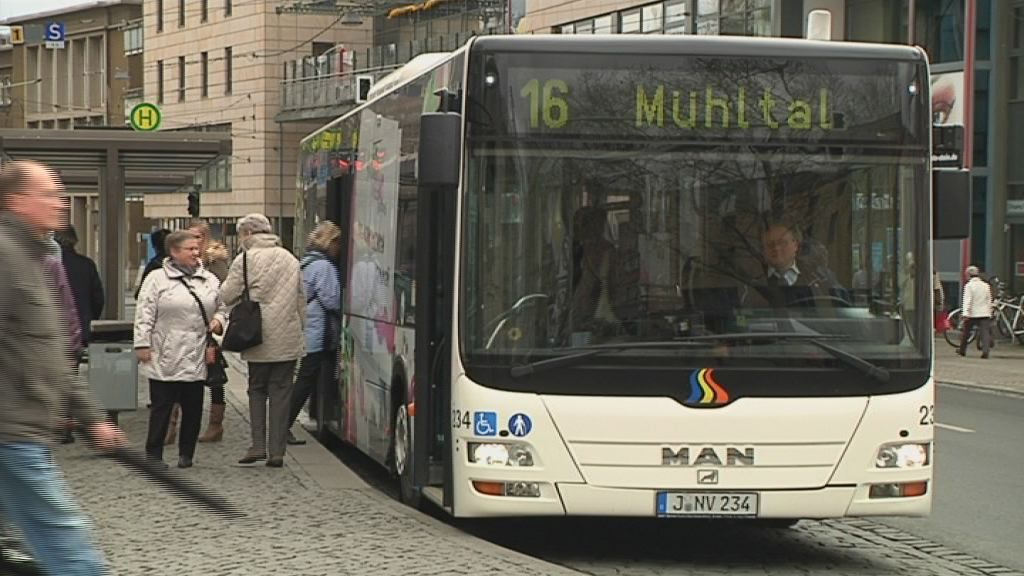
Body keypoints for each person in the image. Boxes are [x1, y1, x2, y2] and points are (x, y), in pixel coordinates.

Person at [0, 159, 125, 576]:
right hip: (11, 434)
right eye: (49, 193)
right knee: (68, 546)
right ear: (17, 201)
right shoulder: (5, 256)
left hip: (24, 431)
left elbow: (49, 352)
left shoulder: (34, 258)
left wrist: (92, 418)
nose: (62, 201)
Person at [217, 213, 305, 467]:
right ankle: (277, 451)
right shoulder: (290, 258)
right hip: (287, 335)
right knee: (281, 392)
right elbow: (301, 299)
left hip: (256, 335)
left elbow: (227, 295)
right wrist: (301, 329)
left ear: (247, 234)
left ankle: (257, 445)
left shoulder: (244, 260)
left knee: (256, 389)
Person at [134, 229, 225, 469]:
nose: (196, 253)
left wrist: (218, 321)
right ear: (174, 252)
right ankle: (153, 454)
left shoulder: (210, 280)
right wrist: (142, 343)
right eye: (190, 249)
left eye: (198, 249)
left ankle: (187, 453)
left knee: (193, 406)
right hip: (165, 351)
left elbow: (223, 307)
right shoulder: (156, 279)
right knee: (162, 407)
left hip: (196, 351)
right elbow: (144, 313)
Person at [287, 221, 342, 445]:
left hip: (306, 329)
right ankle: (284, 424)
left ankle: (289, 423)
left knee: (306, 378)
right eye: (338, 243)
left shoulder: (307, 262)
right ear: (330, 242)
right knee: (305, 381)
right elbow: (332, 300)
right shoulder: (325, 267)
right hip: (317, 333)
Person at [189, 219, 232, 443]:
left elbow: (225, 293)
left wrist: (216, 319)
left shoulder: (214, 261)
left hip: (210, 328)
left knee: (215, 377)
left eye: (198, 236)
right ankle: (175, 425)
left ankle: (215, 425)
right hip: (187, 328)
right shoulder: (185, 259)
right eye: (190, 235)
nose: (194, 240)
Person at [54, 225, 104, 349]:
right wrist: (89, 317)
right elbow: (98, 299)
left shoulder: (50, 265)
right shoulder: (87, 264)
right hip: (81, 328)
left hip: (55, 329)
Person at [958, 265, 993, 359]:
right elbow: (989, 300)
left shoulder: (969, 286)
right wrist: (990, 311)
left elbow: (967, 300)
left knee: (966, 332)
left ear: (968, 275)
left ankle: (962, 350)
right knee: (985, 333)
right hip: (984, 313)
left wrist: (965, 313)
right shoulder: (986, 285)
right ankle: (986, 351)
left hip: (972, 313)